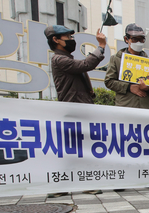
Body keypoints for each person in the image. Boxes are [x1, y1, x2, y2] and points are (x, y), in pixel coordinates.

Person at [44, 25, 105, 197]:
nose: (71, 40)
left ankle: (82, 184)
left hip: (79, 107)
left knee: (80, 149)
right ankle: (58, 187)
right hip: (72, 108)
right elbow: (86, 64)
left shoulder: (67, 58)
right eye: (67, 37)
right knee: (71, 150)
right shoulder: (59, 59)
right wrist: (100, 47)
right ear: (56, 40)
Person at [104, 23, 149, 109]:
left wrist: (147, 88)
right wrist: (129, 87)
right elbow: (109, 81)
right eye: (134, 39)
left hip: (145, 107)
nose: (138, 42)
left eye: (141, 39)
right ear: (126, 39)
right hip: (125, 106)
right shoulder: (116, 59)